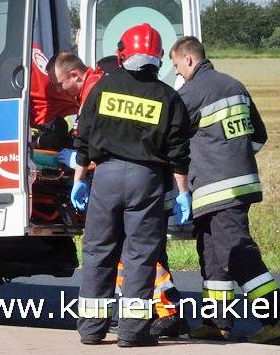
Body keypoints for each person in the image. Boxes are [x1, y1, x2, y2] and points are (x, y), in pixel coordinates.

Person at [47, 50, 189, 337]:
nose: (60, 91)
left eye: (60, 84)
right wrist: (183, 192)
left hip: (109, 180)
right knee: (139, 254)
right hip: (147, 181)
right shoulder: (165, 95)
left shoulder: (101, 89)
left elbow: (88, 142)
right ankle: (134, 329)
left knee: (104, 251)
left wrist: (79, 175)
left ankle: (94, 328)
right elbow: (176, 150)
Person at [170, 36, 280, 344]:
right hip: (238, 185)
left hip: (216, 189)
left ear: (188, 59)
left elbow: (169, 138)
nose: (177, 72)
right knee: (212, 256)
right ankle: (216, 322)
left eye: (177, 65)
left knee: (237, 255)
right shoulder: (235, 85)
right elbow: (259, 136)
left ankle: (275, 319)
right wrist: (236, 156)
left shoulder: (191, 93)